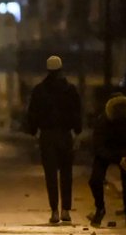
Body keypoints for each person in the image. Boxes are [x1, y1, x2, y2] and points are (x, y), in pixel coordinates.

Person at [26, 55, 83, 224]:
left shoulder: (39, 90)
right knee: (66, 173)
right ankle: (66, 210)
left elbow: (32, 114)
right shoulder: (70, 89)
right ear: (61, 69)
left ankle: (54, 211)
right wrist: (77, 132)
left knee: (50, 174)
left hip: (47, 136)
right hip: (65, 135)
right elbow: (76, 112)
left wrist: (34, 131)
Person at [88, 93, 126, 227]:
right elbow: (98, 146)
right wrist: (118, 158)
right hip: (107, 152)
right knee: (95, 180)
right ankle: (100, 209)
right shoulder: (103, 121)